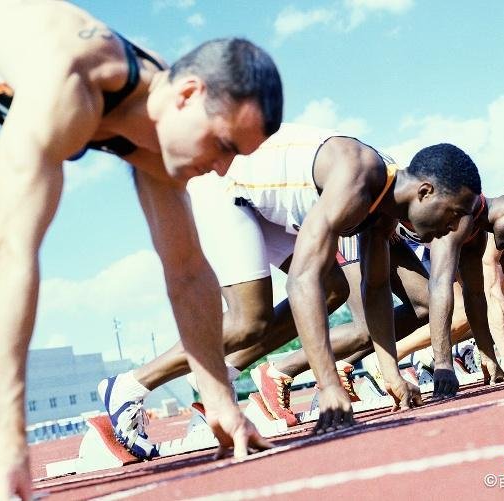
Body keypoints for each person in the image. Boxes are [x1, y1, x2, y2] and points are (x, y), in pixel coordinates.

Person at [0, 2, 283, 498]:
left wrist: (220, 401)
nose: (221, 169)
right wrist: (9, 441)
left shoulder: (157, 121)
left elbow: (188, 271)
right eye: (223, 146)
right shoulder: (68, 80)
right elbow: (13, 253)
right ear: (188, 95)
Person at [101, 122, 482, 450]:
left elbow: (377, 287)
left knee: (334, 289)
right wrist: (329, 385)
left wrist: (391, 375)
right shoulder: (357, 179)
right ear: (426, 191)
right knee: (249, 321)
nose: (452, 228)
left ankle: (224, 371)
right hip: (224, 184)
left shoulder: (385, 205)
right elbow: (302, 280)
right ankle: (129, 387)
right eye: (453, 214)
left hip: (264, 204)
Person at [257, 185, 504, 411]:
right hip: (357, 225)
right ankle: (281, 370)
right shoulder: (461, 211)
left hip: (386, 232)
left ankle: (343, 364)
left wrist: (488, 355)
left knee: (422, 308)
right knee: (365, 327)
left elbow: (475, 294)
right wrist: (443, 365)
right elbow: (441, 285)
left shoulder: (478, 228)